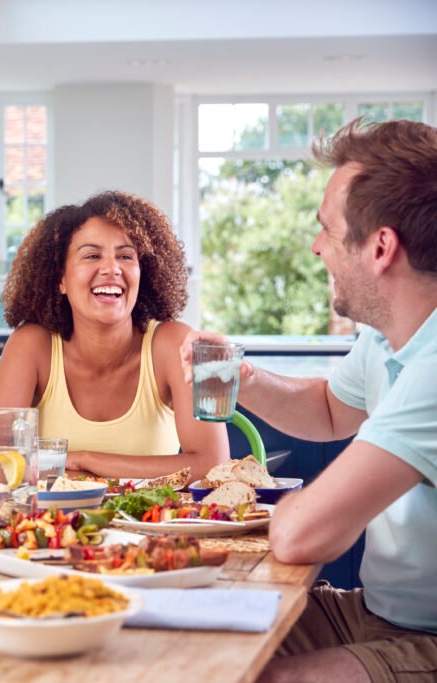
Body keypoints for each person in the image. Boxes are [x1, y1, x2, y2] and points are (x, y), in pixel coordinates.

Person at [178, 119, 437, 683]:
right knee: (183, 635)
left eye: (327, 229)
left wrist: (267, 505)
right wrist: (240, 377)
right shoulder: (388, 334)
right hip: (375, 613)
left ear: (381, 248)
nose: (317, 246)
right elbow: (328, 411)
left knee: (265, 678)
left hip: (429, 640)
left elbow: (301, 535)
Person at [0, 191, 228, 481]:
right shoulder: (32, 345)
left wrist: (86, 460)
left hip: (154, 525)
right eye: (92, 255)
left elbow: (212, 466)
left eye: (125, 256)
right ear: (60, 278)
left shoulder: (174, 344)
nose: (112, 268)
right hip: (53, 525)